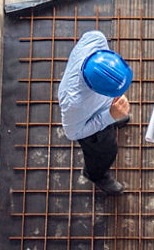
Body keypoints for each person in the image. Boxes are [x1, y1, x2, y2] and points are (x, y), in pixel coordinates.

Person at [57, 31, 133, 196]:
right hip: (89, 121)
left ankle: (113, 118)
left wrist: (112, 110)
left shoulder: (96, 39)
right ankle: (95, 175)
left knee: (113, 119)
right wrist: (109, 117)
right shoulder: (75, 104)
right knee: (107, 151)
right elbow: (73, 133)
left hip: (101, 107)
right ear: (96, 90)